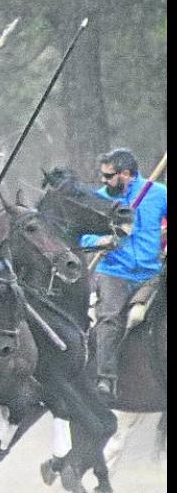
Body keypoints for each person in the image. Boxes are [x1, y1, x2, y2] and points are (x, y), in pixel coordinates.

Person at [80, 148, 167, 398]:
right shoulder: (100, 199)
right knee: (110, 318)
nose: (103, 181)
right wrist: (102, 240)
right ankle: (105, 378)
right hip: (114, 273)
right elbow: (83, 234)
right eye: (102, 176)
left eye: (108, 176)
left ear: (126, 174)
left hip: (150, 273)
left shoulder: (157, 193)